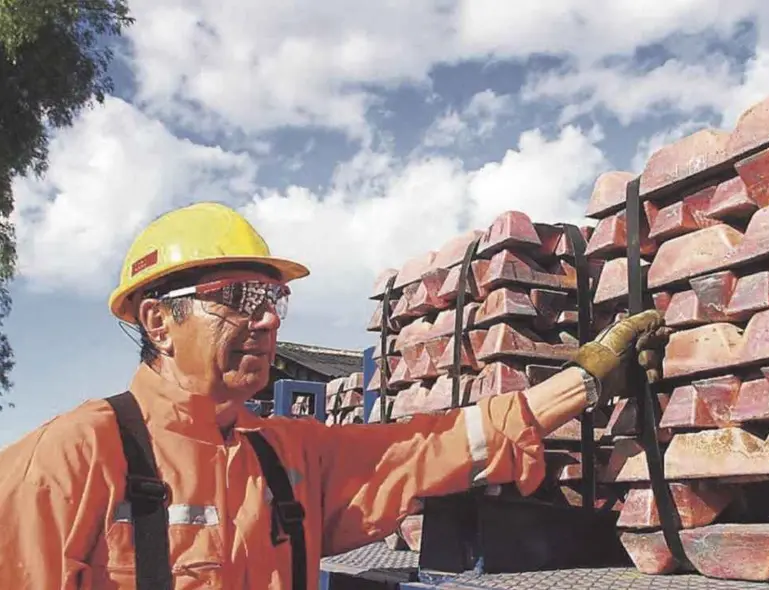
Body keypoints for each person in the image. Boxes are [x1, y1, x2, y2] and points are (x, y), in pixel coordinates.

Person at [0, 202, 667, 589]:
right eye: (237, 298)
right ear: (157, 321)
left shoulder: (288, 458)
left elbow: (431, 446)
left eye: (273, 299)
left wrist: (584, 381)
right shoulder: (71, 460)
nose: (266, 319)